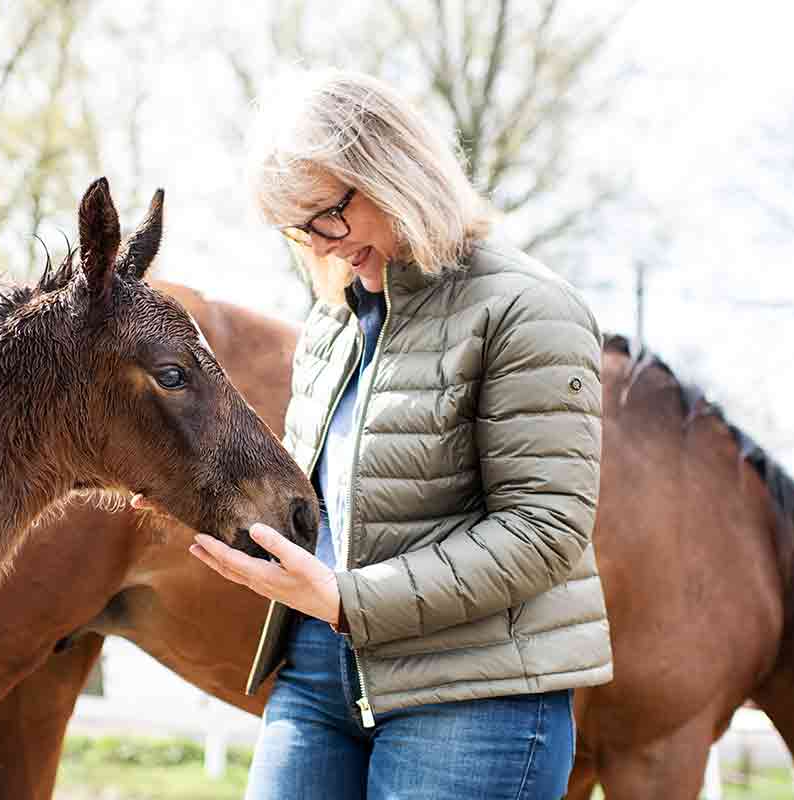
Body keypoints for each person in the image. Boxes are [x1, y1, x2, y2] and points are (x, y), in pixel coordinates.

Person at [188, 68, 612, 800]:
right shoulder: (333, 322)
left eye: (327, 215)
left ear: (391, 171)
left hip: (475, 692)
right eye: (300, 230)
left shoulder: (528, 308)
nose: (322, 247)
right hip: (318, 676)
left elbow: (544, 529)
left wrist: (350, 600)